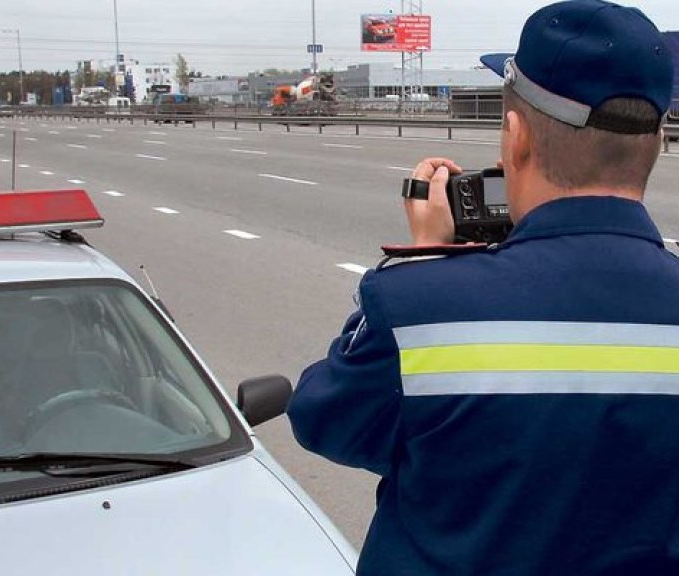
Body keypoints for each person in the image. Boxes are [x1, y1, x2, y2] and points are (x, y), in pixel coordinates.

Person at [287, 1, 679, 575]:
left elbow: (325, 422)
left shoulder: (421, 307)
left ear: (515, 136)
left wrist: (426, 260)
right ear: (657, 141)